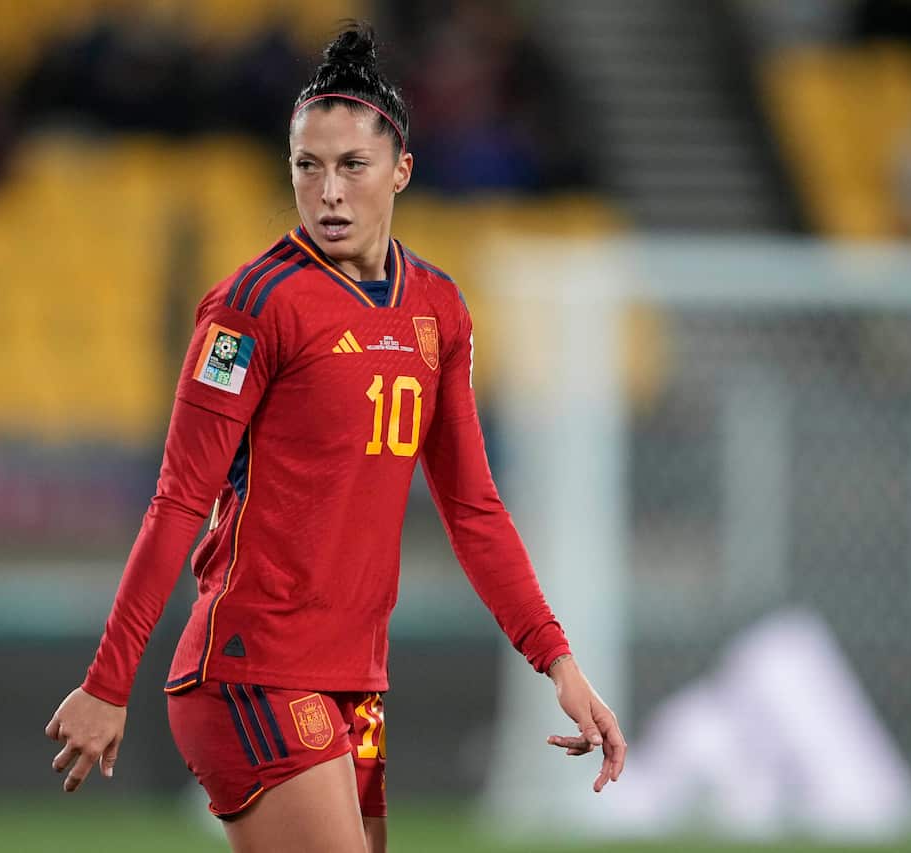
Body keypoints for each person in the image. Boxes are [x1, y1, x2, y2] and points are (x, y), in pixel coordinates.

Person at [44, 23, 626, 853]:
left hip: (355, 681)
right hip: (251, 670)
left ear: (401, 170)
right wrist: (108, 683)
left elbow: (474, 510)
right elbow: (179, 497)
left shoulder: (438, 309)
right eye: (307, 166)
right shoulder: (253, 306)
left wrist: (559, 662)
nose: (328, 192)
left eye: (352, 165)